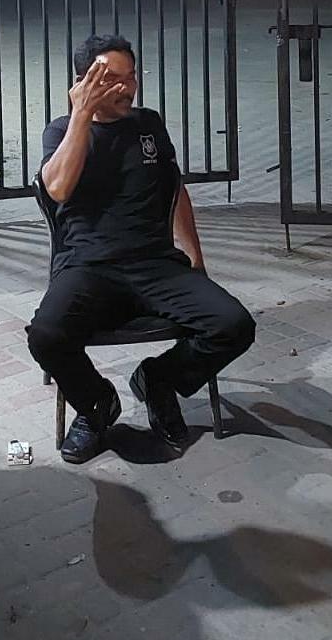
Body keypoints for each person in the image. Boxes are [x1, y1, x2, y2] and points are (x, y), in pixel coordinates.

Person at [27, 33, 255, 464]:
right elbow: (56, 188)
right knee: (46, 336)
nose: (126, 88)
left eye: (131, 77)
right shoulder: (62, 131)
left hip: (155, 265)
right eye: (112, 80)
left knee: (234, 324)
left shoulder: (148, 124)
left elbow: (175, 190)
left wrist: (196, 258)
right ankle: (96, 405)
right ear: (83, 82)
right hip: (88, 268)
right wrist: (82, 115)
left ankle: (158, 379)